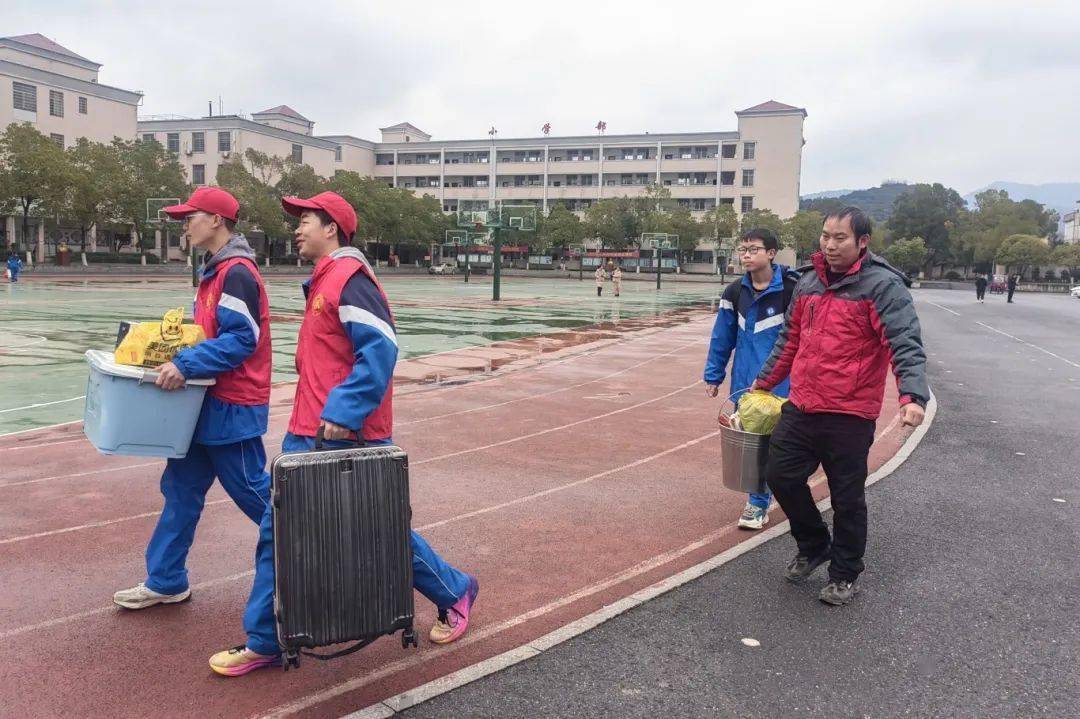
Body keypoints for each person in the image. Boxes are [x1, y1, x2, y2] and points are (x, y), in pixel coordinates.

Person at [210, 191, 478, 676]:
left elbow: (380, 347)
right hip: (308, 431)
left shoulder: (349, 278)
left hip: (345, 434)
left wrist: (346, 411)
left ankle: (455, 589)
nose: (296, 228)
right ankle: (267, 639)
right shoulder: (323, 281)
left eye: (305, 220)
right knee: (280, 537)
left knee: (377, 534)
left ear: (331, 227)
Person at [752, 206, 928, 606]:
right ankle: (814, 544)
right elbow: (789, 340)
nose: (829, 245)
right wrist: (760, 384)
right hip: (802, 406)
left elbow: (904, 343)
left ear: (862, 242)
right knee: (779, 476)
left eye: (840, 238)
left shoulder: (882, 287)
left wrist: (912, 396)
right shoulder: (809, 282)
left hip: (850, 414)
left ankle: (845, 572)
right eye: (825, 237)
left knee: (847, 497)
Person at [113, 188, 274, 611]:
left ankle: (320, 556)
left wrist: (186, 363)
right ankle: (166, 580)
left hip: (232, 406)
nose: (184, 223)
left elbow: (242, 338)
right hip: (203, 404)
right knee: (180, 490)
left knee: (260, 498)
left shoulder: (236, 272)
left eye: (191, 215)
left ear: (217, 220)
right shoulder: (215, 270)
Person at [704, 228, 799, 530]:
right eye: (742, 249)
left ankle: (777, 489)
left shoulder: (793, 290)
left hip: (788, 384)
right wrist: (714, 374)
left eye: (753, 249)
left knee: (786, 446)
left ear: (771, 253)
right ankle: (757, 502)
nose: (746, 254)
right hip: (747, 382)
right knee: (754, 443)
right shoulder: (734, 293)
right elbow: (722, 336)